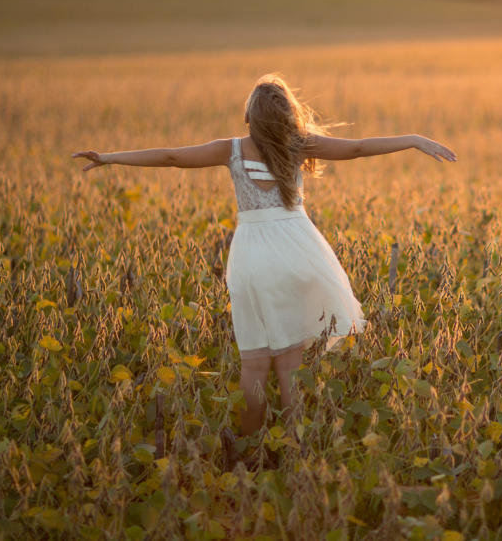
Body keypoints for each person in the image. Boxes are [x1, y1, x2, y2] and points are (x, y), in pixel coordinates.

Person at [72, 73, 456, 462]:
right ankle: (294, 453)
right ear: (290, 117)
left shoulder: (232, 150)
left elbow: (172, 157)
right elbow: (357, 147)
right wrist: (412, 139)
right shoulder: (299, 145)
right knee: (291, 363)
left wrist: (109, 157)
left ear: (249, 119)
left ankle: (245, 454)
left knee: (254, 364)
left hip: (253, 258)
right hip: (301, 252)